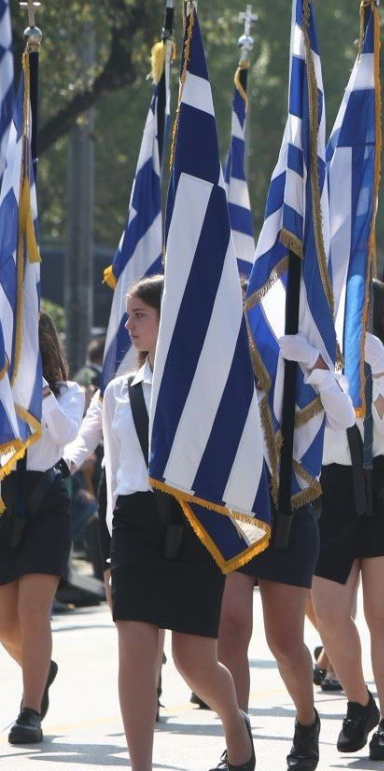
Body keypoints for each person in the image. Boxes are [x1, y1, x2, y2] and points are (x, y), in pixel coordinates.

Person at [60, 275, 255, 771]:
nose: (129, 325)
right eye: (128, 315)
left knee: (194, 663)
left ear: (168, 321)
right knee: (136, 653)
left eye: (140, 315)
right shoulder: (118, 391)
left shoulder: (202, 387)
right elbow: (114, 474)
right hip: (135, 527)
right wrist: (109, 553)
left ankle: (235, 724)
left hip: (192, 525)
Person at [216, 315, 357, 771]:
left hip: (288, 513)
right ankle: (238, 739)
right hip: (233, 513)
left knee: (284, 642)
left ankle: (306, 718)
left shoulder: (293, 372)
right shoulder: (218, 368)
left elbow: (342, 417)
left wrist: (316, 365)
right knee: (231, 632)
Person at [308, 280, 384, 761]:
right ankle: (359, 701)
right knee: (329, 610)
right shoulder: (332, 367)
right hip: (337, 488)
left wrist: (380, 370)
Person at [0, 313, 85, 744]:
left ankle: (30, 710)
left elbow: (64, 434)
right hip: (5, 497)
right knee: (4, 622)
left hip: (46, 500)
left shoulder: (70, 392)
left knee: (34, 611)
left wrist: (42, 390)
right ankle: (41, 669)